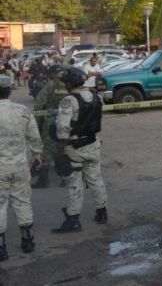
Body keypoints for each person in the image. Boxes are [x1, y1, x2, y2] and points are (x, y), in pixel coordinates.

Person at [52, 67, 108, 233]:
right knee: (95, 179)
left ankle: (73, 219)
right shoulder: (96, 96)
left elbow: (62, 127)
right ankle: (102, 212)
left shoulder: (68, 100)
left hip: (75, 147)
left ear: (70, 83)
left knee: (74, 184)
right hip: (93, 143)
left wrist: (61, 143)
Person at [0, 74, 42, 261]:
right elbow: (34, 137)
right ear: (9, 90)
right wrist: (36, 155)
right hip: (20, 166)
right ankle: (28, 241)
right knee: (22, 201)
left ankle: (2, 249)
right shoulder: (23, 111)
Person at [31, 64, 68, 188]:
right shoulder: (69, 85)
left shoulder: (50, 85)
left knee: (47, 150)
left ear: (52, 73)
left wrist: (35, 121)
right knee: (64, 148)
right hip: (67, 121)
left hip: (51, 122)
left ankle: (43, 179)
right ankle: (65, 178)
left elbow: (39, 104)